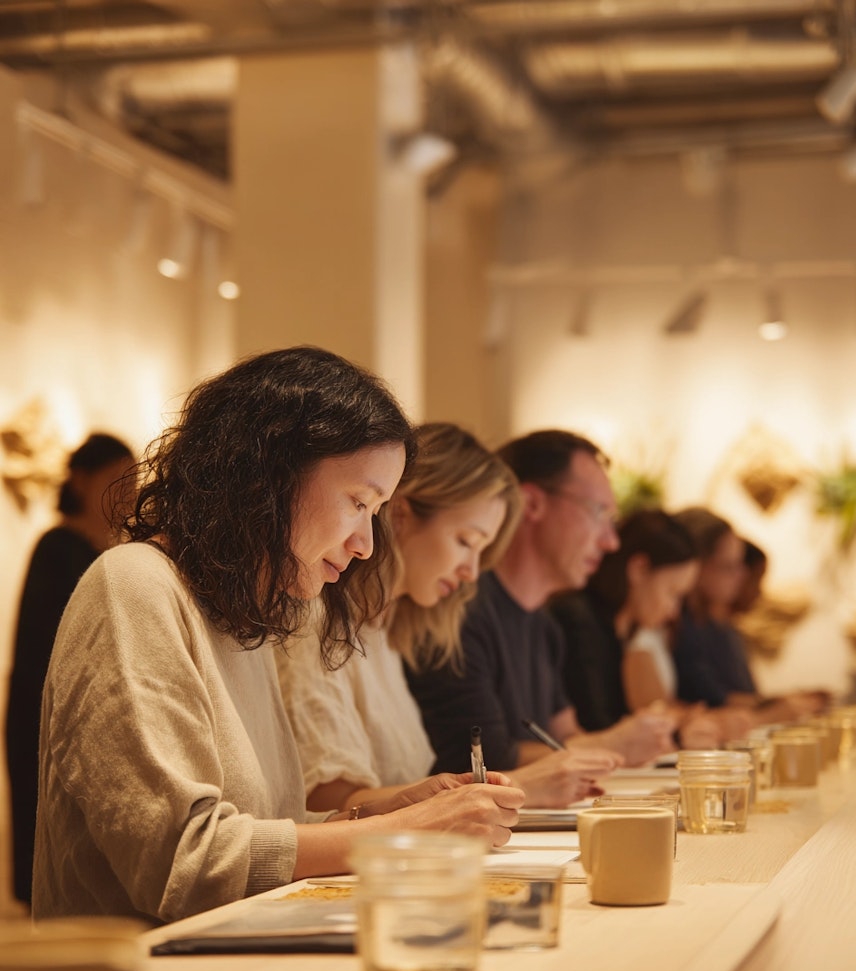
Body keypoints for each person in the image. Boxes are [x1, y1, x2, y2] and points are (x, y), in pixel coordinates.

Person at [32, 347, 523, 924]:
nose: (367, 544)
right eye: (358, 503)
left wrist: (381, 814)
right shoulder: (133, 586)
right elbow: (180, 863)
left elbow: (266, 838)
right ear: (268, 477)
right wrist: (399, 830)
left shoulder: (244, 617)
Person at [278, 423, 622, 811]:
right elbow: (330, 806)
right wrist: (517, 786)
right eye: (465, 543)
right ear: (401, 516)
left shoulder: (386, 634)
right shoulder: (316, 622)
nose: (471, 573)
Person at [406, 430, 679, 783]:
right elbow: (483, 760)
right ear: (532, 503)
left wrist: (632, 739)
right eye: (599, 514)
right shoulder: (456, 607)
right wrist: (615, 742)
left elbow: (566, 737)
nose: (611, 542)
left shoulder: (544, 624)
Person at [5, 432, 135, 906]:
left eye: (134, 477)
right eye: (116, 478)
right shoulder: (59, 545)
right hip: (46, 709)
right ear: (81, 481)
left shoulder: (111, 553)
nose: (129, 490)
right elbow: (49, 645)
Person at [550, 508, 722, 748]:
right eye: (673, 593)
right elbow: (598, 728)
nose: (674, 611)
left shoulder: (620, 631)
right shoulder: (578, 620)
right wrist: (673, 732)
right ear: (639, 569)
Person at [671, 508, 823, 723]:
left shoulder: (710, 625)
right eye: (728, 566)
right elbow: (711, 702)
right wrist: (774, 708)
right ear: (696, 565)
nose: (742, 576)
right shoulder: (678, 627)